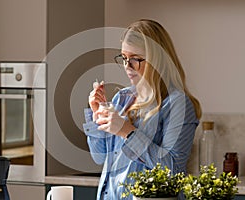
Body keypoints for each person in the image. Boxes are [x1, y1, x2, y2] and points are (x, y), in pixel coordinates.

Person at [83, 19, 202, 200]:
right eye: (124, 58)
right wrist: (96, 114)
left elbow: (173, 171)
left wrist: (127, 131)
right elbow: (99, 158)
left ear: (158, 60)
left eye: (136, 59)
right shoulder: (121, 98)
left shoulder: (178, 104)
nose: (127, 67)